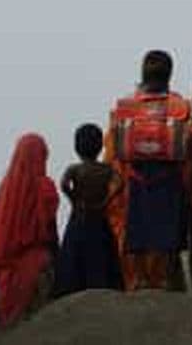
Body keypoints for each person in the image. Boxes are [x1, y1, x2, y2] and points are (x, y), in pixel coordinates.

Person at [105, 50, 192, 290]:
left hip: (136, 178)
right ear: (169, 75)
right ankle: (164, 279)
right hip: (170, 178)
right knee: (168, 234)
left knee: (138, 232)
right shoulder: (180, 106)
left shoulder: (126, 107)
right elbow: (190, 145)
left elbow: (113, 152)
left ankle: (140, 279)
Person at [0, 133, 59, 326]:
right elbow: (51, 232)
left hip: (7, 275)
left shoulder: (6, 189)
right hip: (37, 269)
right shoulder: (45, 188)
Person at [54, 123, 123, 295]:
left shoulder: (75, 169)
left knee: (73, 261)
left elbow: (63, 184)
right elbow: (120, 183)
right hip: (99, 219)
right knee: (102, 258)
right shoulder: (106, 169)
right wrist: (106, 201)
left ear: (77, 147)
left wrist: (74, 199)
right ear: (100, 146)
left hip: (79, 218)